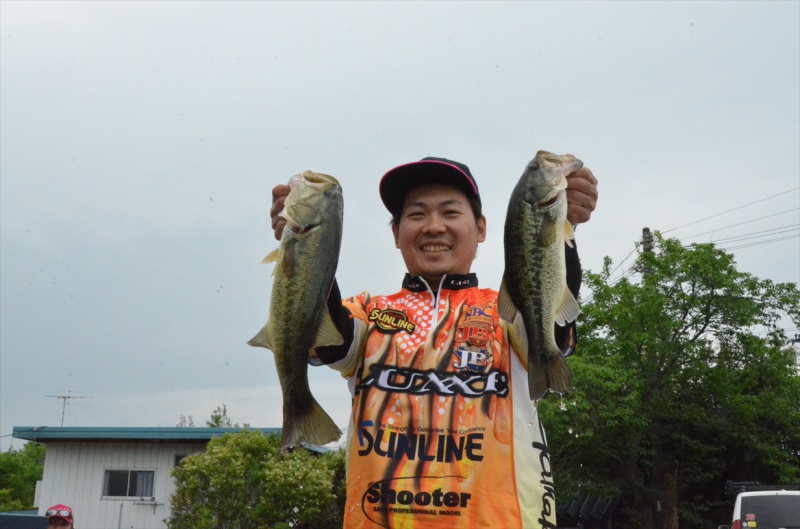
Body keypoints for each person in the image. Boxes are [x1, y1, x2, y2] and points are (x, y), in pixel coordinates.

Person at [270, 155, 598, 528]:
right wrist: (305, 242)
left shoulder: (509, 312)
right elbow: (328, 339)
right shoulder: (366, 313)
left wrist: (563, 226)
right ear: (396, 233)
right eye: (416, 214)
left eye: (450, 212)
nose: (433, 226)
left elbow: (552, 324)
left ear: (481, 228)